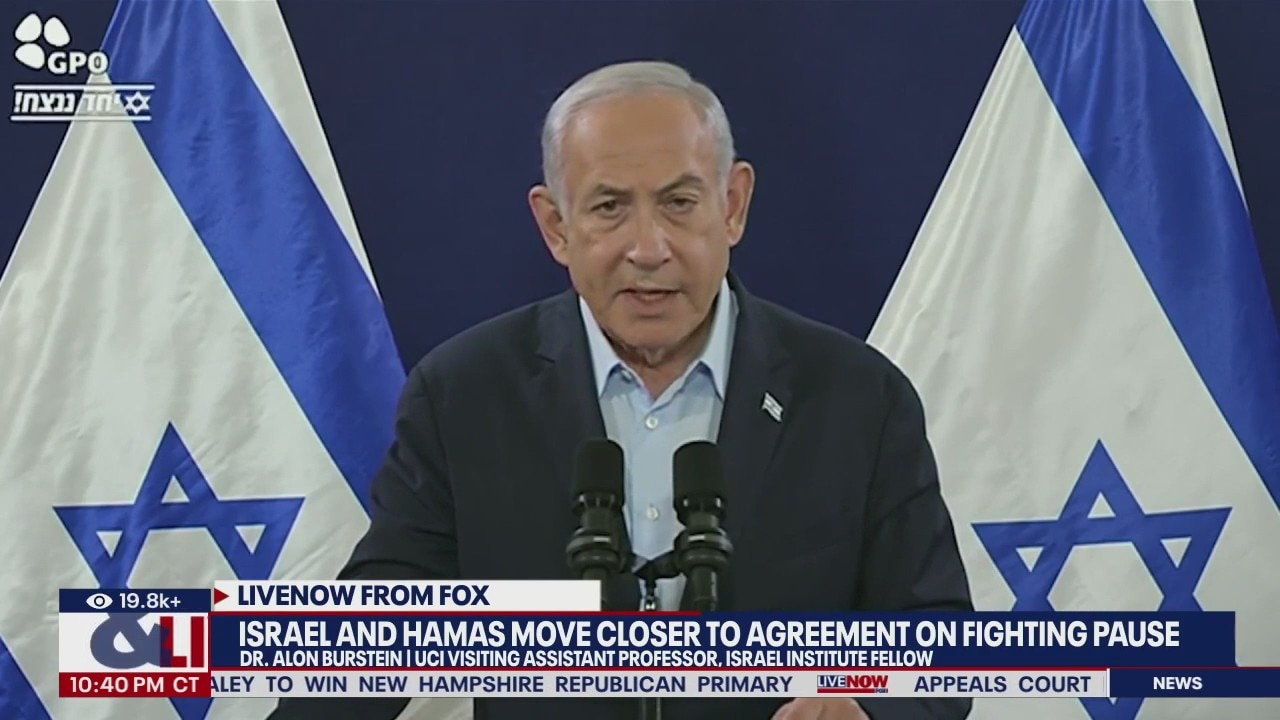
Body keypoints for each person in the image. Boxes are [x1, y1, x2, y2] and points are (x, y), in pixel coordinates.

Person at [271, 60, 972, 720]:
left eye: (679, 203)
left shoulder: (857, 398)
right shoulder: (465, 396)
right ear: (556, 226)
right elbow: (369, 649)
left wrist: (867, 707)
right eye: (609, 207)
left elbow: (935, 646)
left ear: (732, 206)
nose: (648, 248)